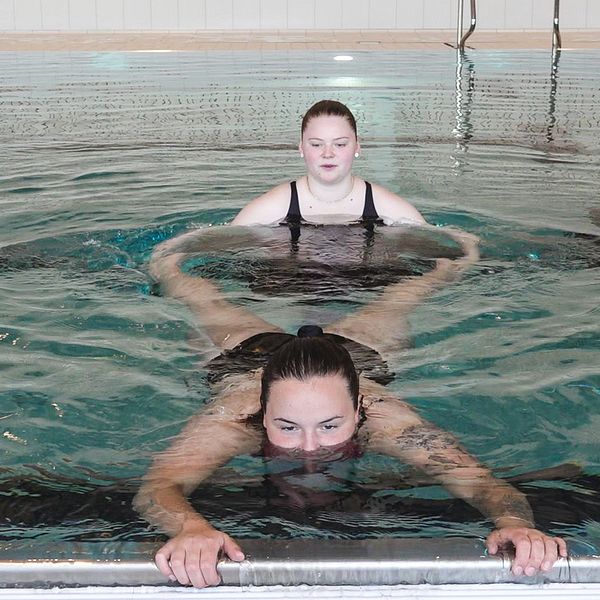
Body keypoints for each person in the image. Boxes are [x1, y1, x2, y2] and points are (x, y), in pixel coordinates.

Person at [134, 227, 567, 589]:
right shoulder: (233, 416)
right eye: (286, 426)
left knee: (403, 298)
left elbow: (482, 485)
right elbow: (158, 488)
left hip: (356, 355)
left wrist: (513, 522)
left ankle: (462, 256)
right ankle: (166, 259)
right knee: (197, 298)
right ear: (262, 412)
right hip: (247, 355)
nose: (308, 447)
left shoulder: (388, 420)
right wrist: (189, 527)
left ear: (359, 411)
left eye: (329, 426)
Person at [231, 100, 426, 227]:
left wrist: (406, 292)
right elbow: (208, 250)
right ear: (301, 148)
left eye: (340, 144)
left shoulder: (385, 206)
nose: (328, 153)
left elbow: (449, 257)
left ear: (357, 147)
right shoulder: (275, 206)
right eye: (316, 144)